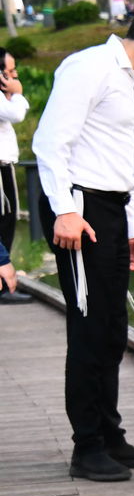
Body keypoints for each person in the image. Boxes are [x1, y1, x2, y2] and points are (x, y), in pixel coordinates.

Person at [33, 6, 134, 482]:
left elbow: (127, 163)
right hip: (79, 207)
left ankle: (110, 436)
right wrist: (65, 210)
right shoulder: (89, 68)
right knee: (88, 327)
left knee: (113, 327)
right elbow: (50, 143)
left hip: (114, 209)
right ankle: (87, 448)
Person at [0, 47, 31, 304]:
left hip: (5, 166)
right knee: (3, 224)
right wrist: (18, 93)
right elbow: (17, 114)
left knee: (7, 223)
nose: (15, 75)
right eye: (9, 71)